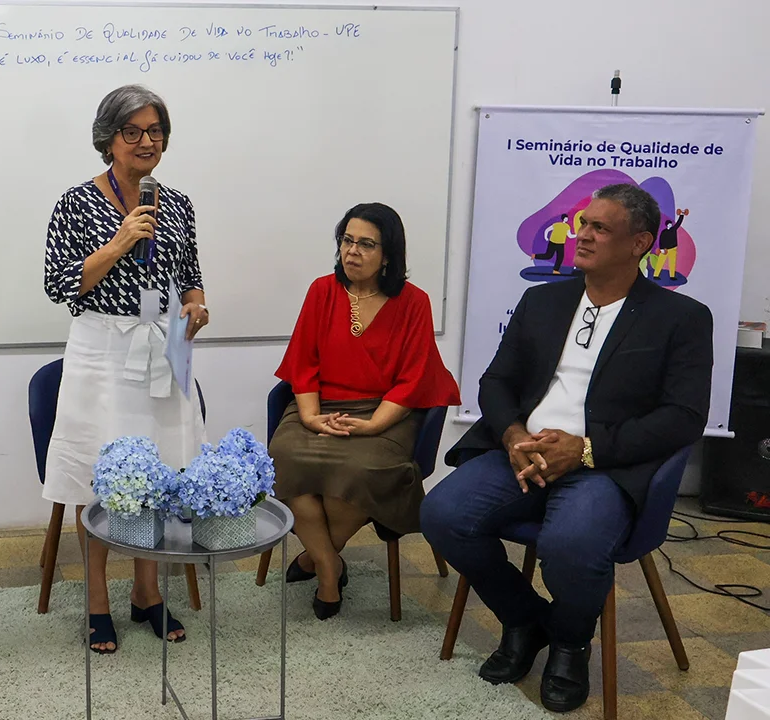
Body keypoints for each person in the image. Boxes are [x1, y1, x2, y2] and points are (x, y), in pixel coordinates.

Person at [421, 184, 713, 713]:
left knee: (571, 546)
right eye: (584, 223)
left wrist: (583, 450)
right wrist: (512, 436)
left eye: (601, 228)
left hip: (603, 466)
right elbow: (496, 381)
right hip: (521, 450)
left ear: (640, 243)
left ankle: (571, 644)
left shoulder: (681, 319)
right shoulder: (543, 299)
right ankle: (527, 620)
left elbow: (683, 418)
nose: (583, 234)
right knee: (441, 514)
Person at [42, 84, 209, 653]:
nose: (146, 141)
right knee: (103, 478)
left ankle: (146, 592)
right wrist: (119, 241)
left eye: (155, 132)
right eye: (132, 131)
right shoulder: (75, 203)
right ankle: (94, 600)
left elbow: (190, 273)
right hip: (103, 350)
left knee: (159, 475)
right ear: (108, 139)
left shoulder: (178, 202)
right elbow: (60, 285)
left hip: (164, 348)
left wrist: (197, 306)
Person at [268, 203, 460, 620]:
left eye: (366, 244)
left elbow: (413, 379)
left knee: (360, 471)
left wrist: (373, 424)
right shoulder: (322, 290)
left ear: (388, 254)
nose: (352, 251)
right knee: (285, 456)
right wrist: (310, 417)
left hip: (385, 413)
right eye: (346, 241)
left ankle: (315, 561)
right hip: (320, 407)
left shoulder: (415, 303)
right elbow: (303, 362)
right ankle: (329, 566)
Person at [654, 208, 689, 280]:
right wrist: (661, 249)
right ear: (666, 225)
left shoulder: (674, 229)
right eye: (668, 224)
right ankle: (656, 275)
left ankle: (672, 276)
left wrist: (681, 215)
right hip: (665, 249)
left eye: (670, 224)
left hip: (673, 249)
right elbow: (661, 240)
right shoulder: (664, 232)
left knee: (672, 263)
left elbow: (679, 223)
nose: (670, 225)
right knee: (660, 262)